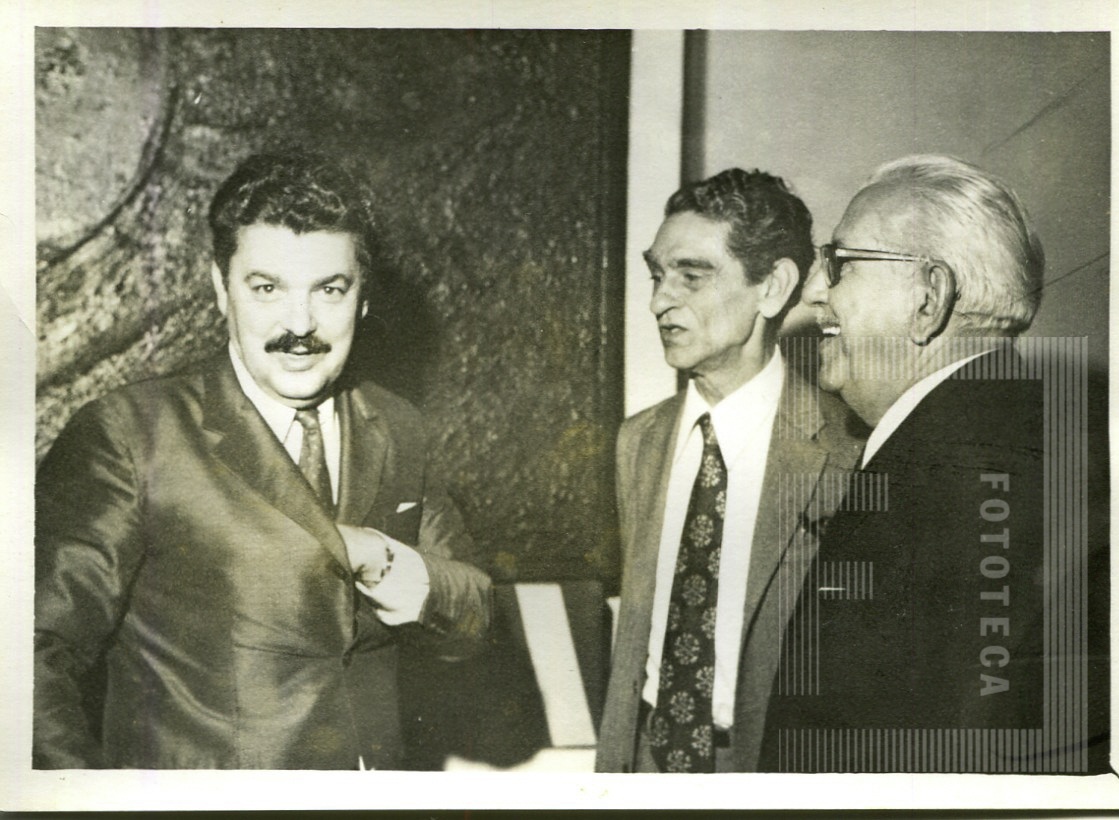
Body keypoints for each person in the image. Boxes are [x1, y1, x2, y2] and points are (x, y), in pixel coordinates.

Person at [34, 151, 491, 769]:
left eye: (329, 289)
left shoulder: (399, 426)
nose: (299, 324)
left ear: (362, 297)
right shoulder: (131, 432)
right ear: (221, 289)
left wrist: (380, 558)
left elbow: (474, 618)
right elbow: (30, 654)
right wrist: (84, 803)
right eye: (267, 288)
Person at [760, 154, 1057, 771]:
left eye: (840, 263)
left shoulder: (937, 478)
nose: (814, 292)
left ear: (929, 299)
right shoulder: (1012, 442)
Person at [595, 168, 861, 773]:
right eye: (657, 276)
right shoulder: (638, 441)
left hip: (766, 773)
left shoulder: (847, 451)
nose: (660, 301)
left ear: (773, 287)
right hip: (644, 763)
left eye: (692, 276)